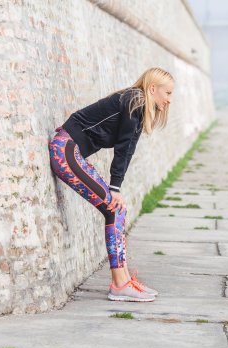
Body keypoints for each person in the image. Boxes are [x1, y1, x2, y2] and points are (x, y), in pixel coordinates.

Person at [48, 67, 174, 302]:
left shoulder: (136, 104)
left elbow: (128, 149)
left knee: (117, 209)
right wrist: (114, 188)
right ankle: (119, 284)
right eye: (167, 93)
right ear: (153, 89)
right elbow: (123, 147)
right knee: (114, 208)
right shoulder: (134, 100)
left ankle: (124, 280)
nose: (169, 100)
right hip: (65, 150)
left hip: (70, 151)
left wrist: (116, 188)